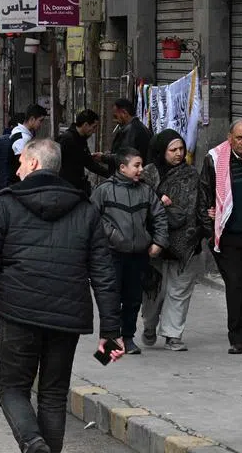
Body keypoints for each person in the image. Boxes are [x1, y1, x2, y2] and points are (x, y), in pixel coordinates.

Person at [0, 139, 124, 453]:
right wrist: (110, 330)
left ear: (34, 163)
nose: (17, 169)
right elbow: (104, 274)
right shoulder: (85, 208)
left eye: (21, 162)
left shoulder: (6, 203)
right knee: (53, 395)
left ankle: (32, 443)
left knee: (13, 389)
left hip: (18, 311)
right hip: (66, 318)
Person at [197, 118, 242, 354]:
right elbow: (203, 197)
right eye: (238, 137)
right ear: (230, 138)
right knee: (236, 284)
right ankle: (237, 337)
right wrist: (210, 234)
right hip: (229, 236)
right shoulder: (215, 160)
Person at [90, 149, 168, 354]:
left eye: (141, 165)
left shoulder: (146, 190)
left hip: (139, 254)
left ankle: (128, 337)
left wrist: (159, 242)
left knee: (133, 299)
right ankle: (111, 342)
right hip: (112, 254)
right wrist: (112, 235)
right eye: (137, 165)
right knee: (112, 298)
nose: (141, 169)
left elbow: (159, 216)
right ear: (122, 167)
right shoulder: (104, 190)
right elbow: (91, 218)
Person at [140, 130, 202, 351]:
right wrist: (158, 198)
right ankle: (149, 325)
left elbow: (197, 203)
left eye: (181, 149)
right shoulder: (148, 173)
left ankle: (172, 335)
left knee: (179, 290)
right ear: (161, 151)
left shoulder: (191, 174)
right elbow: (139, 198)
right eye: (173, 150)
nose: (178, 154)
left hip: (185, 242)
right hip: (155, 241)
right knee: (154, 291)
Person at [96, 98, 153, 176]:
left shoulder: (132, 130)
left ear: (124, 113)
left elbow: (125, 156)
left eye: (116, 116)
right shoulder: (137, 128)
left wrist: (103, 157)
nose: (115, 120)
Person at [56, 109, 106, 196]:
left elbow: (88, 162)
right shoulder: (67, 139)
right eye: (94, 127)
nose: (94, 131)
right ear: (86, 125)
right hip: (67, 189)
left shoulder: (80, 139)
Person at [9, 104, 49, 171]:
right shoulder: (22, 139)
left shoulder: (25, 135)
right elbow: (22, 164)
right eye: (40, 120)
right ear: (32, 119)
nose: (41, 124)